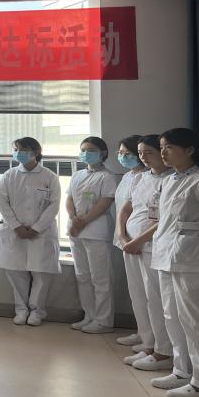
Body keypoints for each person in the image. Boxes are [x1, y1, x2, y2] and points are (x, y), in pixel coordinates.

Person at [149, 128, 199, 397]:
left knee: (194, 320)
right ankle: (181, 371)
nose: (163, 153)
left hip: (190, 259)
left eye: (168, 147)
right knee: (172, 315)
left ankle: (198, 382)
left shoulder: (197, 181)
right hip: (166, 254)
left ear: (189, 150)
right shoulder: (169, 180)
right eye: (162, 147)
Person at [115, 135, 173, 371]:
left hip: (152, 247)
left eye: (149, 152)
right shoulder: (141, 177)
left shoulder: (171, 179)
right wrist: (122, 236)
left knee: (155, 299)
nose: (143, 157)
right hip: (130, 245)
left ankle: (163, 350)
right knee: (138, 296)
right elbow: (126, 208)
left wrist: (138, 240)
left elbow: (165, 218)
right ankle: (148, 344)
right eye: (140, 153)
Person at [0, 137, 62, 326]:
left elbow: (54, 205)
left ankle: (37, 311)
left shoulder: (50, 177)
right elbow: (2, 202)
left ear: (35, 152)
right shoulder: (9, 175)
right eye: (16, 149)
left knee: (41, 273)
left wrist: (37, 228)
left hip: (41, 232)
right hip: (14, 231)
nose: (18, 153)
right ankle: (21, 310)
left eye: (23, 149)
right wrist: (16, 226)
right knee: (16, 272)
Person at [66, 136, 118, 334]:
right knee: (83, 276)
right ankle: (89, 315)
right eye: (83, 150)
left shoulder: (107, 176)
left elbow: (105, 203)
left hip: (96, 229)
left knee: (100, 278)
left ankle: (104, 321)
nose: (86, 154)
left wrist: (83, 221)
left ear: (103, 153)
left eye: (91, 150)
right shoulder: (77, 175)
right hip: (76, 230)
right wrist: (73, 218)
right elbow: (69, 199)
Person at [114, 135, 149, 350]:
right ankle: (142, 333)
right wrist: (122, 236)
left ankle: (151, 340)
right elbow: (123, 209)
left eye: (127, 154)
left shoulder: (148, 177)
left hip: (141, 242)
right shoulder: (128, 176)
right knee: (136, 292)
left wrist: (132, 238)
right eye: (120, 153)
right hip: (126, 239)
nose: (122, 157)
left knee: (148, 293)